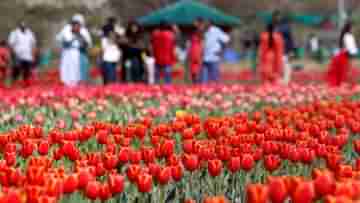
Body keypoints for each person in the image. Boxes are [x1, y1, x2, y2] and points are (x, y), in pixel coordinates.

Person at [56, 16, 92, 86]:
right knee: (66, 72)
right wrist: (73, 37)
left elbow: (87, 43)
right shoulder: (66, 29)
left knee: (77, 74)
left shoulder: (83, 31)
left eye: (77, 24)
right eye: (74, 24)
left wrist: (78, 36)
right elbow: (61, 40)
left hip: (78, 53)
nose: (75, 26)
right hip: (67, 53)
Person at [327, 22, 358, 87]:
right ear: (349, 28)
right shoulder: (347, 36)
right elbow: (350, 47)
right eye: (352, 28)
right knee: (343, 70)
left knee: (342, 71)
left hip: (344, 54)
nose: (353, 29)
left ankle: (340, 84)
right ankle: (342, 85)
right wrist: (353, 53)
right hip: (345, 54)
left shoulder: (346, 35)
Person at [273, 14, 295, 85]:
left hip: (284, 50)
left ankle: (285, 80)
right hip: (279, 50)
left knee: (285, 64)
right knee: (283, 65)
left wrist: (291, 50)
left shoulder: (284, 28)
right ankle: (283, 80)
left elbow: (290, 40)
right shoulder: (276, 27)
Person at [188, 18, 204, 83]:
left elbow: (202, 42)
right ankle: (195, 82)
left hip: (195, 50)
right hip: (195, 51)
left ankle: (196, 81)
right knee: (195, 68)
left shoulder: (198, 31)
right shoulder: (197, 31)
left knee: (195, 68)